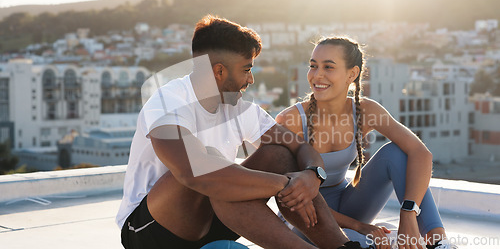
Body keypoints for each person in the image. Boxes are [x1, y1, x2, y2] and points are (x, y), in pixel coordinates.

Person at [116, 15, 369, 249]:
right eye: (247, 70)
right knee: (213, 167)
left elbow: (300, 148)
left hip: (214, 220)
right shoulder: (168, 101)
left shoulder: (240, 110)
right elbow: (192, 173)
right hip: (151, 232)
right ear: (219, 71)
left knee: (279, 156)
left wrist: (313, 176)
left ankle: (342, 246)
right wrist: (285, 184)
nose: (251, 80)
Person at [276, 37, 455, 249]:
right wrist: (360, 227)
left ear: (352, 74)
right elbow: (290, 196)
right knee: (372, 244)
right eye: (313, 66)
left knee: (396, 153)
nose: (317, 75)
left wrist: (408, 212)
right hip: (305, 217)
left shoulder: (365, 111)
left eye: (328, 67)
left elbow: (421, 153)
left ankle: (437, 241)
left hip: (347, 204)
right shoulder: (291, 120)